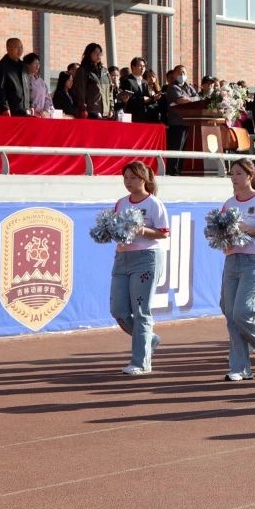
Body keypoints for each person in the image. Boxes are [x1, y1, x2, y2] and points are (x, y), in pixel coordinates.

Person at [217, 159, 255, 382]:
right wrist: (223, 240)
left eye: (239, 173)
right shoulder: (228, 203)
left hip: (254, 261)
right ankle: (241, 367)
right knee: (229, 312)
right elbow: (221, 232)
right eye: (232, 173)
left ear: (250, 176)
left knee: (243, 312)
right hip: (232, 260)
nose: (234, 178)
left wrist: (249, 229)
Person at [108, 161, 169, 375]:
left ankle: (141, 362)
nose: (128, 182)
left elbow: (163, 232)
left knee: (141, 311)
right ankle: (149, 339)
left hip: (146, 258)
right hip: (122, 258)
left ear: (143, 179)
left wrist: (140, 229)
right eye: (125, 178)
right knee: (119, 311)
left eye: (133, 178)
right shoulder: (121, 203)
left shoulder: (154, 204)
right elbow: (115, 227)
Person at [161, 65, 198, 176]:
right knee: (176, 147)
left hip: (188, 122)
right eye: (179, 72)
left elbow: (198, 97)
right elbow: (180, 100)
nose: (182, 75)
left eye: (184, 73)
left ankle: (180, 169)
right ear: (174, 74)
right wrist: (191, 99)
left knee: (183, 149)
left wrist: (189, 99)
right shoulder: (172, 87)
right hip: (176, 122)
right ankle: (172, 170)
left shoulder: (189, 87)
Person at [0, 37, 32, 117]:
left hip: (25, 110)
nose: (20, 50)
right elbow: (0, 89)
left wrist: (31, 105)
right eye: (16, 47)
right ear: (8, 49)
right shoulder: (2, 66)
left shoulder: (23, 66)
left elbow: (29, 87)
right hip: (11, 111)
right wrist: (4, 108)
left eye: (21, 47)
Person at [74, 43, 112, 119]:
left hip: (106, 113)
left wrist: (111, 108)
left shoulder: (105, 71)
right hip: (91, 112)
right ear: (89, 54)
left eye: (100, 53)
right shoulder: (83, 70)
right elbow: (80, 91)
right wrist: (83, 109)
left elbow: (110, 92)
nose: (98, 55)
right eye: (95, 53)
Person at [120, 57, 160, 122]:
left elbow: (147, 99)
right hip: (132, 116)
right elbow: (127, 99)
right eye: (140, 66)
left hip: (144, 116)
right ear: (133, 67)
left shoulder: (145, 82)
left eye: (144, 66)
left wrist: (153, 98)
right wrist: (142, 99)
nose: (142, 68)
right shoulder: (127, 81)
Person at [22, 53, 52, 117]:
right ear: (28, 64)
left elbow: (47, 98)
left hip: (42, 115)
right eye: (35, 63)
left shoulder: (41, 81)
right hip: (30, 115)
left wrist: (45, 110)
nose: (38, 66)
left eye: (39, 63)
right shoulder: (24, 80)